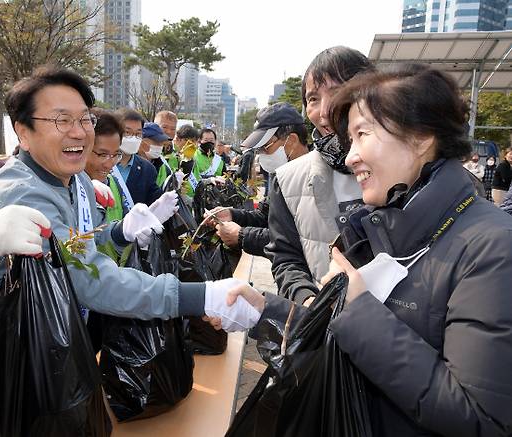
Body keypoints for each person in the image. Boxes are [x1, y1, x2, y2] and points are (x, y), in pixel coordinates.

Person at [231, 63, 512, 437]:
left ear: (421, 137)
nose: (350, 156)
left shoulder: (492, 247)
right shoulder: (378, 228)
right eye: (351, 138)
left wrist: (359, 312)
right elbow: (342, 334)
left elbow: (481, 418)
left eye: (363, 134)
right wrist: (266, 309)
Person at [0, 67, 261, 390]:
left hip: (53, 350)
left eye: (84, 119)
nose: (78, 132)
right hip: (4, 365)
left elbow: (81, 241)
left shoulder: (75, 182)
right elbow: (89, 279)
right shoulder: (22, 193)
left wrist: (119, 232)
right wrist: (201, 297)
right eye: (61, 120)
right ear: (24, 133)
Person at [265, 46, 373, 304]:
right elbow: (286, 258)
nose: (324, 111)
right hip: (325, 331)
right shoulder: (287, 180)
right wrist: (306, 298)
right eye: (312, 99)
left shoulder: (407, 170)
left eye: (338, 92)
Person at [205, 103, 309, 258]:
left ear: (291, 140)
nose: (261, 155)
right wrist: (232, 215)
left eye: (265, 147)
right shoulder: (280, 176)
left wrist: (242, 236)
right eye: (258, 150)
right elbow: (265, 216)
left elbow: (302, 240)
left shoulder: (314, 179)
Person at [114, 109, 163, 205]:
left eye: (138, 134)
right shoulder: (101, 162)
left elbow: (153, 202)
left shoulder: (147, 169)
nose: (133, 138)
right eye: (127, 133)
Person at [140, 122, 173, 187]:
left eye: (161, 142)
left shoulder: (164, 168)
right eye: (156, 142)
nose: (160, 146)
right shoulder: (129, 164)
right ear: (142, 140)